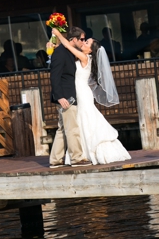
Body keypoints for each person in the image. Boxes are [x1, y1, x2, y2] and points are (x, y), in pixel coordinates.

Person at [53, 29, 131, 165]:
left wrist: (58, 34)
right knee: (79, 121)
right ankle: (79, 153)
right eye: (83, 40)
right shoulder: (79, 57)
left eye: (86, 42)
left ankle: (82, 154)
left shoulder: (85, 58)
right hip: (79, 92)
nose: (83, 43)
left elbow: (67, 45)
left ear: (90, 50)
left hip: (82, 93)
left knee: (83, 120)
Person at [48, 27, 91, 169]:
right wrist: (59, 96)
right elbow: (55, 76)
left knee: (62, 128)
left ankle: (55, 159)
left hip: (68, 95)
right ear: (74, 39)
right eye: (82, 39)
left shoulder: (67, 51)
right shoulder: (60, 53)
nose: (83, 42)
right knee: (72, 128)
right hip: (66, 97)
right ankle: (77, 158)